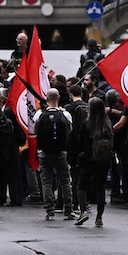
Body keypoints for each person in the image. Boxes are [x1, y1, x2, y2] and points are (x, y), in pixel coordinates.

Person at [35, 90, 74, 220]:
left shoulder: (40, 114)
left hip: (44, 153)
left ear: (47, 98)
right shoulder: (65, 114)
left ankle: (49, 210)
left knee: (46, 181)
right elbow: (69, 131)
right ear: (58, 97)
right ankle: (68, 209)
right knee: (65, 180)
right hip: (61, 152)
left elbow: (35, 131)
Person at [75, 97, 113, 226]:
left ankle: (83, 211)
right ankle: (99, 217)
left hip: (89, 159)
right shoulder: (107, 124)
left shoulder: (87, 124)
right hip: (104, 159)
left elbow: (80, 142)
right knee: (100, 188)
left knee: (81, 186)